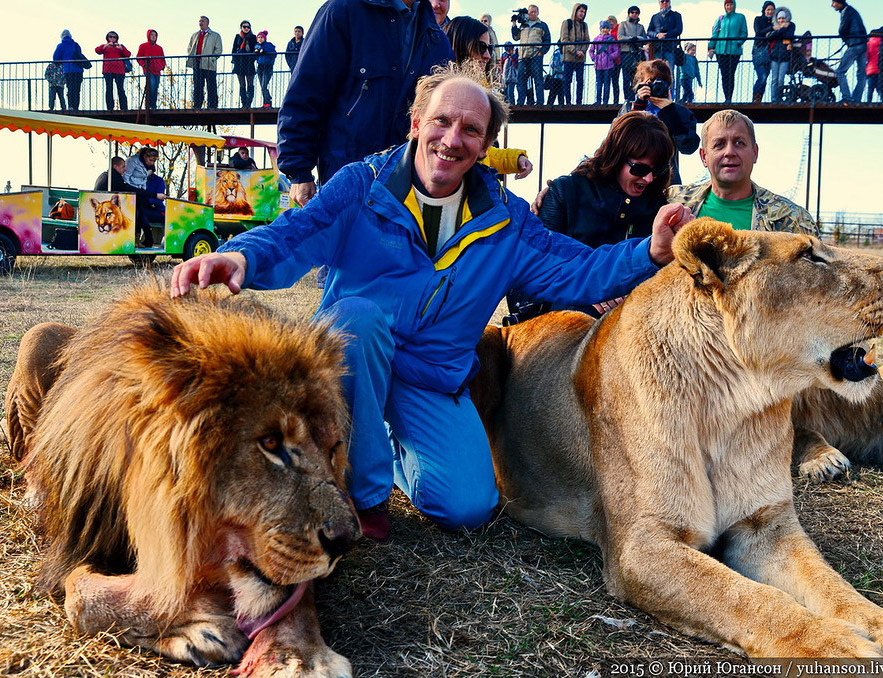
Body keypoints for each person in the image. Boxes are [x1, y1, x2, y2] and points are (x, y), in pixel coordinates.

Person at [170, 66, 695, 539]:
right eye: (442, 121)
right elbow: (296, 232)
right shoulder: (361, 185)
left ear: (486, 144)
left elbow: (575, 267)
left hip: (432, 376)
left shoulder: (507, 221)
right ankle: (368, 495)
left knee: (469, 506)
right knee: (358, 316)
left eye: (471, 130)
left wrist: (649, 251)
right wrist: (239, 257)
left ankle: (393, 449)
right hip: (354, 358)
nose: (452, 139)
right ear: (416, 122)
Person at [276, 0, 453, 209]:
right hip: (345, 180)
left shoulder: (438, 40)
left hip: (406, 191)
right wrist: (298, 171)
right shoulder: (343, 10)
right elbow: (307, 90)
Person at [524, 111, 674, 319]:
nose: (649, 179)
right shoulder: (565, 192)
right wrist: (592, 293)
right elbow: (537, 271)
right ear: (616, 156)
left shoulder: (658, 206)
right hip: (567, 322)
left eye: (657, 170)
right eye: (639, 169)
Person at [666, 109, 817, 236]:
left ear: (755, 153)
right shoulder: (672, 203)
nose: (729, 152)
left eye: (739, 143)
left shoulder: (793, 220)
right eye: (719, 144)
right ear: (704, 157)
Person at [442, 16, 534, 178]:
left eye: (489, 49)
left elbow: (482, 153)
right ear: (461, 46)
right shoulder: (441, 95)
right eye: (480, 47)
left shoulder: (480, 90)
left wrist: (516, 159)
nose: (487, 56)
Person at [619, 58, 698, 185]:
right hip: (631, 176)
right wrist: (639, 106)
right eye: (651, 81)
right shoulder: (630, 107)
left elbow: (688, 147)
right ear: (640, 84)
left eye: (662, 82)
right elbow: (617, 140)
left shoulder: (679, 112)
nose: (656, 86)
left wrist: (669, 111)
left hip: (666, 177)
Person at [707, 0, 747, 103]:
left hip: (734, 51)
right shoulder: (721, 18)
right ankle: (726, 98)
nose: (729, 7)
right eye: (727, 5)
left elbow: (744, 33)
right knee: (724, 75)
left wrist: (737, 43)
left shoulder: (740, 17)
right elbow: (715, 34)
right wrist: (710, 47)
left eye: (731, 4)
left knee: (730, 74)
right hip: (721, 51)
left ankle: (729, 97)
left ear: (734, 5)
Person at [123, 147, 164, 247]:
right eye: (150, 160)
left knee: (141, 211)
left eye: (154, 161)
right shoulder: (132, 161)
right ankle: (145, 236)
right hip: (131, 191)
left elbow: (144, 179)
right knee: (139, 211)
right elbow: (126, 177)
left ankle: (144, 237)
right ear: (145, 156)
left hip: (141, 191)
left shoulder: (150, 168)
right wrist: (130, 191)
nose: (152, 163)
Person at [511, 5, 551, 106]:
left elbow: (547, 41)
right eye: (530, 12)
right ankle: (520, 102)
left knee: (538, 79)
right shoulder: (523, 25)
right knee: (521, 80)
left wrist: (541, 52)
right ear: (528, 13)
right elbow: (516, 37)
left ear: (538, 13)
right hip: (523, 56)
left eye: (534, 12)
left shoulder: (542, 25)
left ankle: (540, 102)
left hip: (536, 56)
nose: (532, 14)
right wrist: (514, 24)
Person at [831, 0, 867, 105]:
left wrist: (845, 39)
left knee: (840, 71)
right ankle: (856, 98)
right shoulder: (852, 11)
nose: (832, 5)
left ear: (839, 2)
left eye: (834, 2)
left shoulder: (846, 12)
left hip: (854, 45)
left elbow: (842, 29)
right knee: (861, 74)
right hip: (863, 43)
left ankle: (846, 97)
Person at [186, 16, 222, 109]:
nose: (200, 23)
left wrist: (212, 59)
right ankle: (197, 105)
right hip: (197, 63)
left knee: (211, 86)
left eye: (202, 21)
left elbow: (218, 50)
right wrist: (192, 56)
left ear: (207, 23)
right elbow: (190, 47)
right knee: (198, 86)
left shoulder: (215, 35)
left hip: (209, 64)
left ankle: (212, 106)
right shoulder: (195, 35)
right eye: (199, 21)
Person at [646, 0, 682, 93]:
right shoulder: (654, 17)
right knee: (656, 72)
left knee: (670, 72)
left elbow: (679, 29)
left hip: (670, 48)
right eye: (662, 1)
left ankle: (670, 95)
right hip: (657, 49)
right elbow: (649, 31)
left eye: (667, 1)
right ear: (659, 2)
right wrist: (657, 35)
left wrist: (666, 34)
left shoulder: (676, 15)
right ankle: (657, 94)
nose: (665, 3)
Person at [560, 4, 589, 105]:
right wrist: (574, 51)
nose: (582, 14)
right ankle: (568, 102)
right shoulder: (567, 23)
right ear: (575, 11)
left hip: (580, 58)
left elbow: (587, 40)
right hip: (569, 57)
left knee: (580, 81)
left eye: (584, 12)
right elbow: (564, 40)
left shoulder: (584, 25)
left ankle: (579, 102)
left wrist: (583, 51)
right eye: (581, 11)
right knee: (567, 81)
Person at [617, 6, 648, 102]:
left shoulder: (641, 27)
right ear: (629, 13)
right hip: (626, 53)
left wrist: (638, 39)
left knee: (636, 78)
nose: (634, 14)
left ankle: (635, 98)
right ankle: (627, 99)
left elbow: (645, 39)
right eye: (632, 12)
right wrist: (630, 38)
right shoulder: (623, 24)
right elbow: (620, 37)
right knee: (626, 78)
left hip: (637, 54)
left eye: (636, 13)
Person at [95, 31, 130, 111]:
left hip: (119, 70)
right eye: (110, 37)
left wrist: (121, 49)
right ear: (107, 37)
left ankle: (124, 107)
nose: (112, 39)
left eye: (114, 37)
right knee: (109, 88)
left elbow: (128, 54)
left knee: (120, 88)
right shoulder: (105, 46)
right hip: (108, 70)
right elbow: (97, 50)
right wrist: (105, 46)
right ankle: (110, 107)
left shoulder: (121, 46)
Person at [767, 7, 794, 104]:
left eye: (783, 18)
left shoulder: (791, 25)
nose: (781, 20)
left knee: (781, 79)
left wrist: (778, 32)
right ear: (777, 19)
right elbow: (769, 36)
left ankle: (779, 98)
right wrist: (782, 29)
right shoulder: (776, 27)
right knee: (774, 79)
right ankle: (774, 98)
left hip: (785, 56)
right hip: (774, 56)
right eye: (779, 19)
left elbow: (789, 36)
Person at [53, 30, 84, 112]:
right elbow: (79, 54)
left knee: (70, 88)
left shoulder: (60, 46)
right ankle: (76, 106)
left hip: (68, 69)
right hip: (78, 69)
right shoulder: (76, 44)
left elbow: (56, 58)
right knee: (77, 89)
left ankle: (71, 106)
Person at [591, 20, 620, 105]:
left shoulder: (611, 40)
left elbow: (617, 51)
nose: (605, 30)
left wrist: (610, 57)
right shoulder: (596, 39)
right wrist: (594, 58)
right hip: (598, 65)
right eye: (603, 28)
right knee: (599, 83)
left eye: (607, 28)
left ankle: (605, 101)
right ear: (600, 29)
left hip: (608, 65)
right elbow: (591, 50)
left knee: (607, 84)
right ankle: (598, 101)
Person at [751, 1, 775, 103]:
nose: (770, 12)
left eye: (772, 10)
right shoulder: (758, 19)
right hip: (759, 51)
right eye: (768, 9)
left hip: (770, 53)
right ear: (764, 10)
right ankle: (755, 99)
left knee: (764, 79)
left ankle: (759, 99)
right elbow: (759, 31)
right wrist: (772, 28)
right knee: (762, 77)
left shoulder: (775, 21)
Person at [136, 29, 165, 109]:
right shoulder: (143, 46)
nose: (153, 37)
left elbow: (163, 59)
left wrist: (162, 66)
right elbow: (139, 57)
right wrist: (144, 64)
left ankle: (153, 104)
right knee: (151, 85)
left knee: (155, 87)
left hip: (157, 71)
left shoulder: (159, 48)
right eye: (152, 35)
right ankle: (148, 104)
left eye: (155, 35)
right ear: (148, 36)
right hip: (148, 70)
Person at [233, 20, 257, 108]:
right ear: (241, 27)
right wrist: (234, 59)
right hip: (239, 63)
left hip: (249, 63)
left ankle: (249, 102)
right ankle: (243, 102)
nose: (246, 28)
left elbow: (255, 49)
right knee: (242, 84)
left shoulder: (253, 37)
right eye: (244, 27)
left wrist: (252, 58)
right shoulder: (238, 37)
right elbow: (234, 49)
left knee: (250, 84)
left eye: (248, 27)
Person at [254, 30, 277, 108]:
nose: (260, 39)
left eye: (261, 37)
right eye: (258, 37)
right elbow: (255, 57)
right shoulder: (256, 46)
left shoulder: (268, 45)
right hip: (260, 67)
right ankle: (266, 101)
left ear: (264, 38)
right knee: (262, 86)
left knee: (264, 85)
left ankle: (267, 101)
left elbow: (273, 53)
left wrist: (264, 51)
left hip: (267, 67)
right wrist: (256, 53)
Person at [865, 33, 880, 103]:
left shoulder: (868, 43)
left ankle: (868, 102)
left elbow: (866, 57)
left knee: (870, 88)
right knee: (880, 88)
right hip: (880, 69)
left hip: (870, 69)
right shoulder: (881, 41)